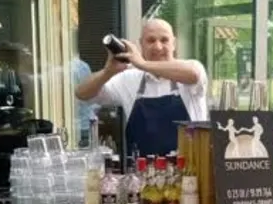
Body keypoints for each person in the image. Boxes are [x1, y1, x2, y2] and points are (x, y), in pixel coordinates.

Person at [75, 18, 208, 157]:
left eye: (164, 40)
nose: (158, 47)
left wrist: (142, 64)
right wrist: (108, 71)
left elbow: (194, 74)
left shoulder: (190, 68)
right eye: (151, 40)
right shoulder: (128, 79)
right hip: (143, 174)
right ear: (141, 45)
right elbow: (82, 93)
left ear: (173, 43)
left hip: (191, 173)